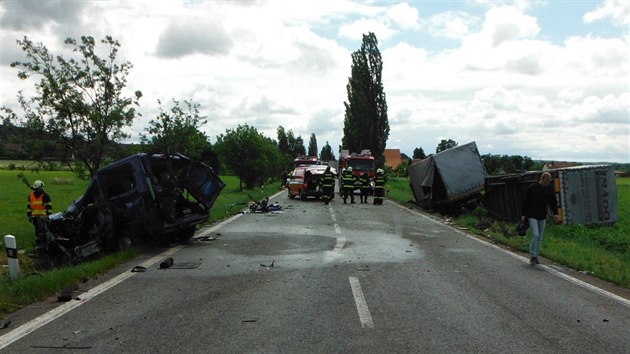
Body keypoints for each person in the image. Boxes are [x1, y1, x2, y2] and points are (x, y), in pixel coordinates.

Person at [521, 171, 559, 265]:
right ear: (542, 179)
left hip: (542, 215)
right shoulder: (532, 188)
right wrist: (523, 214)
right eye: (546, 180)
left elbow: (552, 201)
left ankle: (535, 256)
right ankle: (533, 255)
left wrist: (556, 213)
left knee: (540, 237)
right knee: (536, 235)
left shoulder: (549, 189)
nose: (547, 183)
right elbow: (526, 201)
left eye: (549, 181)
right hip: (532, 214)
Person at [27, 180, 52, 254]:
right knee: (37, 232)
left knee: (44, 232)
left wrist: (48, 216)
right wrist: (29, 216)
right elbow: (29, 207)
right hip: (35, 217)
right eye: (39, 188)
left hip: (43, 217)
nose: (40, 189)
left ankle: (45, 245)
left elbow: (49, 207)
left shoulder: (46, 196)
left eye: (41, 188)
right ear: (35, 188)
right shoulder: (31, 196)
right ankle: (38, 245)